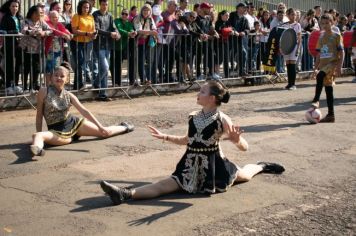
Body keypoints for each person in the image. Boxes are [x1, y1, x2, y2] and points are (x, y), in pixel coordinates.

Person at [100, 81, 285, 205]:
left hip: (215, 165)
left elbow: (245, 146)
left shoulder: (222, 119)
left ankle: (261, 166)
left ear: (212, 98)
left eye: (202, 91)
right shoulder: (193, 116)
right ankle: (124, 194)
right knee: (164, 186)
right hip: (189, 165)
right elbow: (187, 141)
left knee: (244, 175)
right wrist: (165, 136)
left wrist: (237, 141)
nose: (198, 93)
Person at [30, 62, 134, 158]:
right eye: (56, 75)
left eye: (62, 76)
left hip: (74, 123)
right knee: (38, 135)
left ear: (67, 79)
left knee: (105, 133)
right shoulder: (43, 92)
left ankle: (124, 127)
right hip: (56, 130)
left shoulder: (69, 95)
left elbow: (84, 111)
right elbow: (39, 115)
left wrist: (100, 126)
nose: (58, 78)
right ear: (51, 78)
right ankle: (38, 148)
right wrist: (42, 136)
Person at [310, 13, 344, 123]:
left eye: (327, 23)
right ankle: (331, 115)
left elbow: (341, 52)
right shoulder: (321, 37)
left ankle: (316, 100)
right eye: (322, 23)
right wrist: (315, 68)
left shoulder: (336, 36)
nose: (325, 25)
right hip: (324, 66)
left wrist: (339, 66)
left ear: (332, 23)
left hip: (332, 64)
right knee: (328, 89)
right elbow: (319, 55)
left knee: (320, 76)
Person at [92, 0, 120, 101]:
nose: (105, 6)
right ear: (100, 5)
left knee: (104, 69)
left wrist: (117, 34)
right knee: (105, 67)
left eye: (106, 4)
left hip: (108, 46)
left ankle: (102, 94)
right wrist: (110, 34)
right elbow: (96, 29)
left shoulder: (110, 15)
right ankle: (96, 83)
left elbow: (114, 28)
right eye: (103, 4)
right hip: (98, 45)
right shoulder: (95, 15)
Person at [0, 0, 23, 95]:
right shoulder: (6, 17)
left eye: (16, 6)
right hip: (9, 44)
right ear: (9, 7)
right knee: (9, 65)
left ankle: (16, 84)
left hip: (19, 45)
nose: (15, 8)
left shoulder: (19, 17)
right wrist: (15, 33)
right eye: (13, 6)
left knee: (17, 65)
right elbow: (2, 31)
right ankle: (8, 85)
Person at [284, 8, 301, 90]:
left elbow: (299, 37)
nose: (294, 16)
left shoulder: (297, 25)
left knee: (293, 65)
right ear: (288, 15)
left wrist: (298, 48)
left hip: (294, 47)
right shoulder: (285, 24)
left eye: (295, 14)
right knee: (288, 64)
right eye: (292, 14)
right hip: (287, 47)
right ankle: (289, 83)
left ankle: (293, 84)